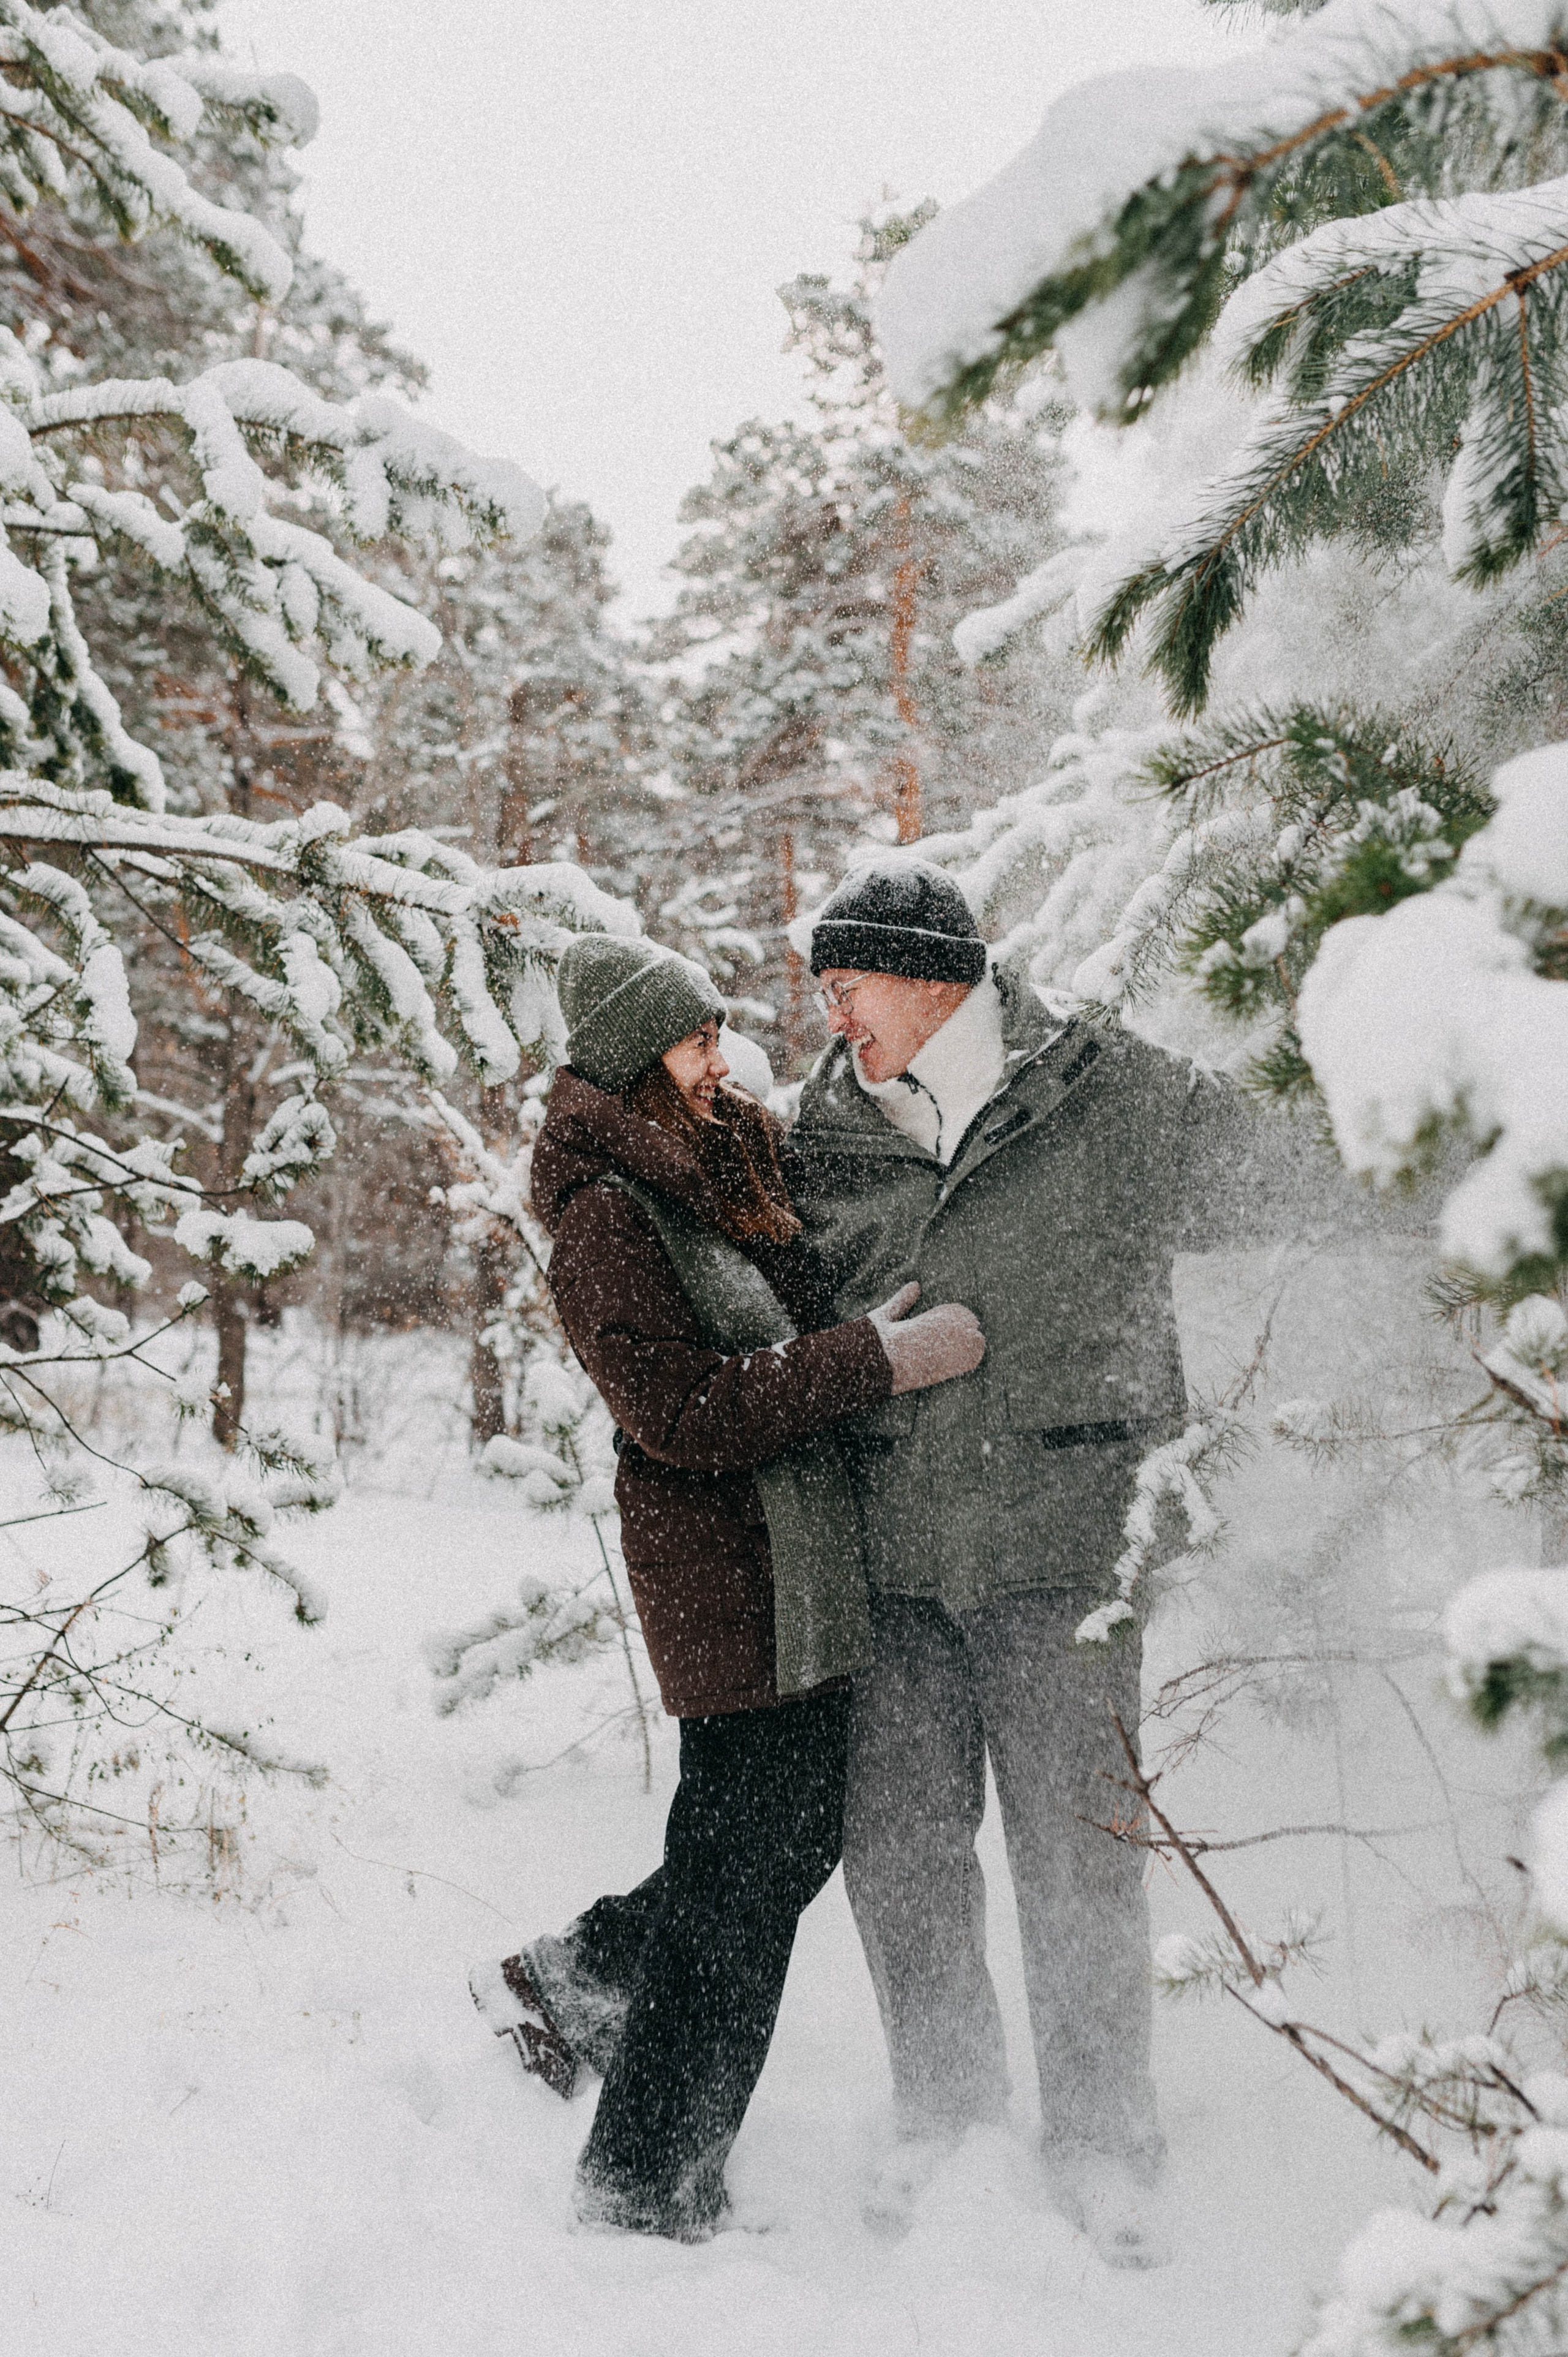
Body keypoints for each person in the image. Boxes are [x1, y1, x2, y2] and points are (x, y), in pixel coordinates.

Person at [783, 859, 1309, 2268]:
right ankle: (943, 2118)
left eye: (846, 986)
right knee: (897, 1851)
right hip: (889, 1557)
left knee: (1078, 1861)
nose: (832, 1019)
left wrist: (1480, 1136)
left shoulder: (1104, 1092)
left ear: (925, 972)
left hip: (1063, 1544)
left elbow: (1292, 1170)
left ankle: (1101, 2143)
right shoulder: (818, 1134)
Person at [469, 931, 984, 2243]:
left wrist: (865, 1328)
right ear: (642, 1053)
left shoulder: (702, 1182)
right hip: (724, 1580)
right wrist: (874, 1363)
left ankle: (577, 1979)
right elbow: (683, 1412)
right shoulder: (603, 1218)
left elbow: (783, 1337)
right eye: (697, 1041)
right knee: (737, 1883)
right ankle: (646, 2185)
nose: (722, 1060)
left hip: (791, 1567)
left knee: (769, 1846)